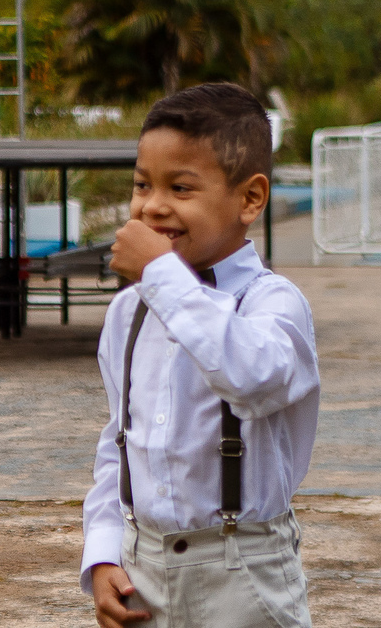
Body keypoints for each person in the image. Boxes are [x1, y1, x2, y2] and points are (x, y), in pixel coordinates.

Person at [81, 83, 320, 628]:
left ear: (250, 199)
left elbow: (251, 377)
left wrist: (160, 274)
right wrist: (103, 551)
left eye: (181, 188)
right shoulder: (129, 312)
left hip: (245, 570)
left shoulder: (272, 303)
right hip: (142, 569)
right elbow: (120, 442)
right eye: (142, 184)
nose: (152, 205)